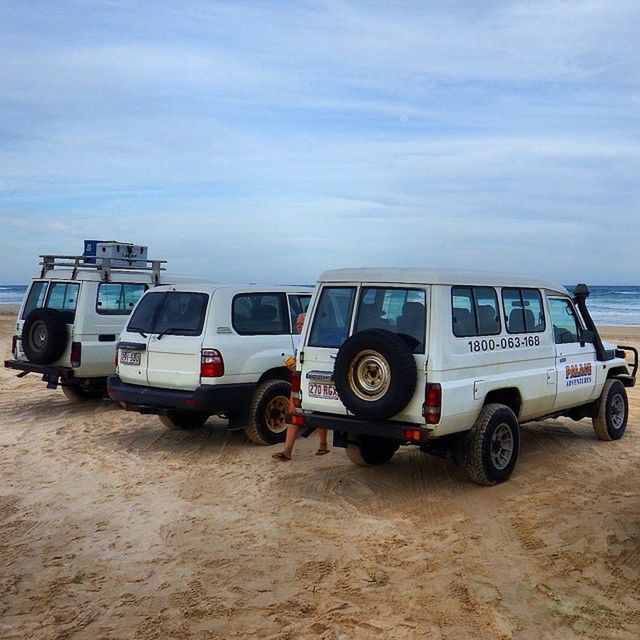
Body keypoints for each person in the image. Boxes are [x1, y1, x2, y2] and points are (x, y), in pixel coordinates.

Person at [272, 312, 329, 461]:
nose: (298, 326)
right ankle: (287, 451)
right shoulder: (299, 341)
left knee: (321, 411)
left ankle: (323, 444)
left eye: (302, 323)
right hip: (300, 380)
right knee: (293, 413)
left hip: (315, 379)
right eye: (297, 323)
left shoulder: (318, 339)